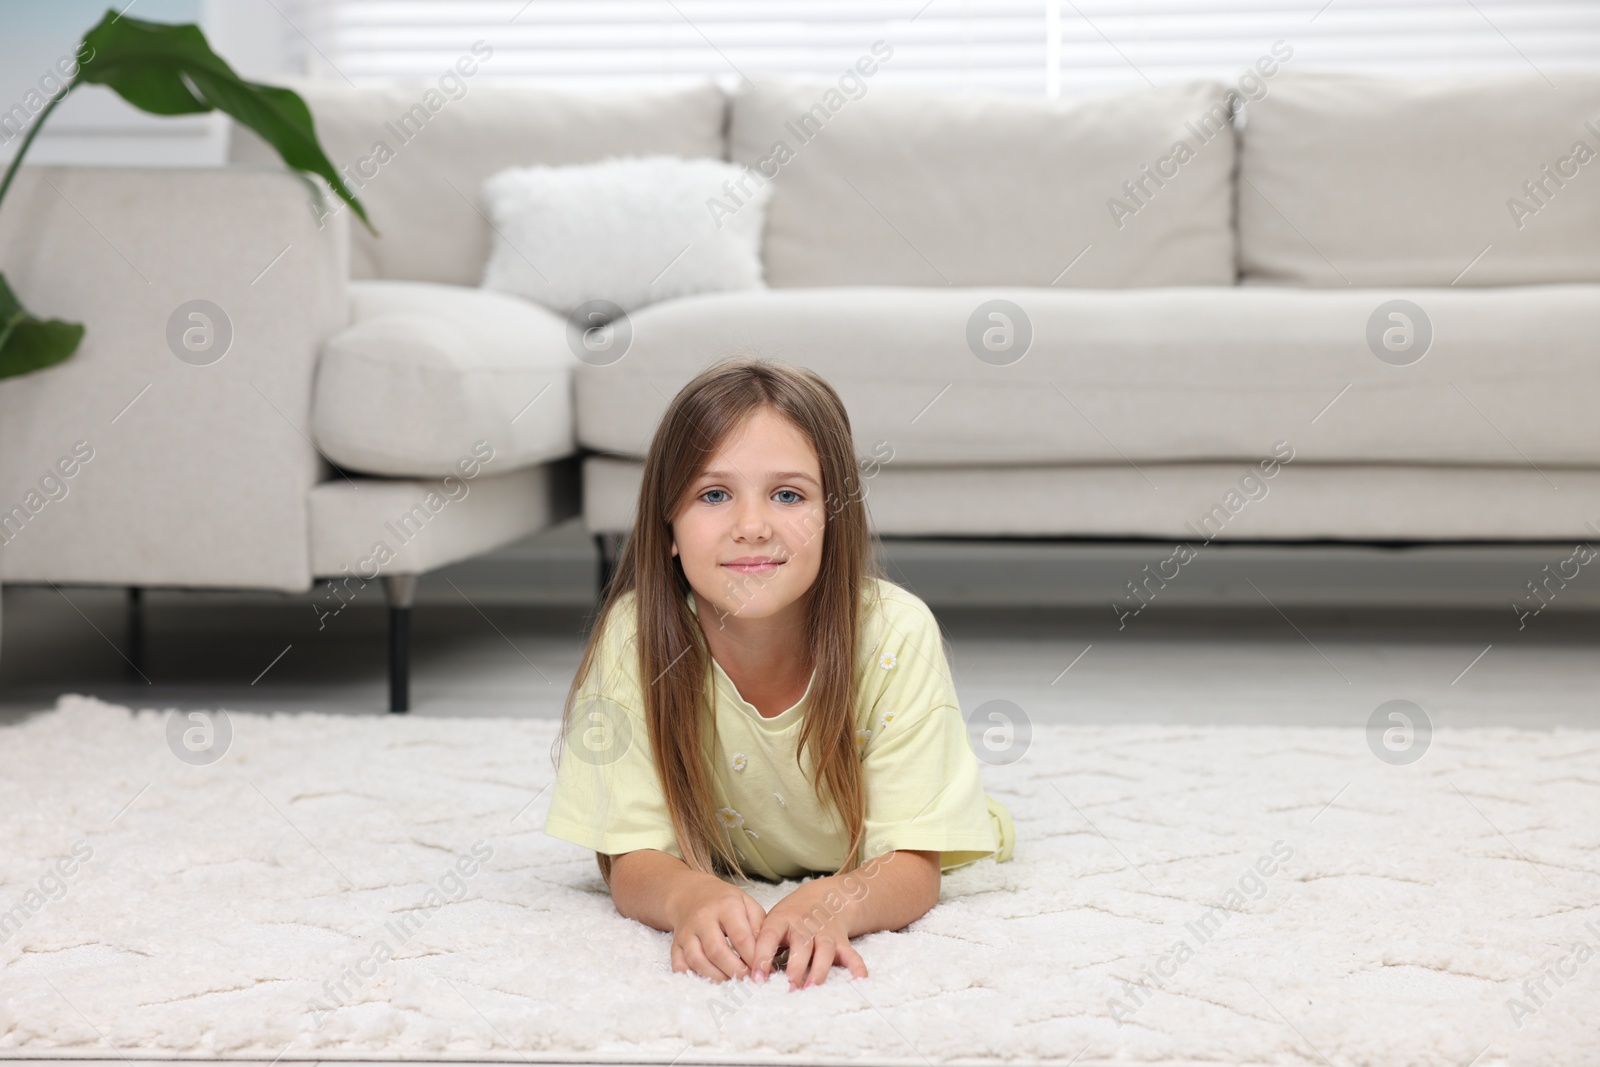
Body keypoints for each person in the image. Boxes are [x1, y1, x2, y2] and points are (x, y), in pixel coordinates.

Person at [544, 356, 1015, 991]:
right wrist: (687, 897)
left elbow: (914, 864)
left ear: (833, 517)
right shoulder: (636, 635)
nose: (752, 527)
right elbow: (629, 856)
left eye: (788, 495)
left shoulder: (896, 633)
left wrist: (838, 900)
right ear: (670, 529)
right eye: (714, 495)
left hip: (893, 835)